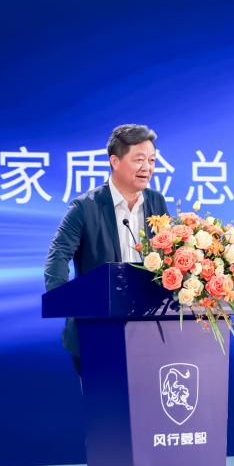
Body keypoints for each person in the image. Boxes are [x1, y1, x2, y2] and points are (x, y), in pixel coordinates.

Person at [44, 124, 169, 374]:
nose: (147, 167)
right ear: (115, 161)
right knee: (106, 398)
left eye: (152, 160)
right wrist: (64, 299)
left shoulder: (156, 202)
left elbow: (169, 253)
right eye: (139, 160)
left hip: (148, 329)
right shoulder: (85, 207)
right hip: (97, 329)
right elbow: (58, 255)